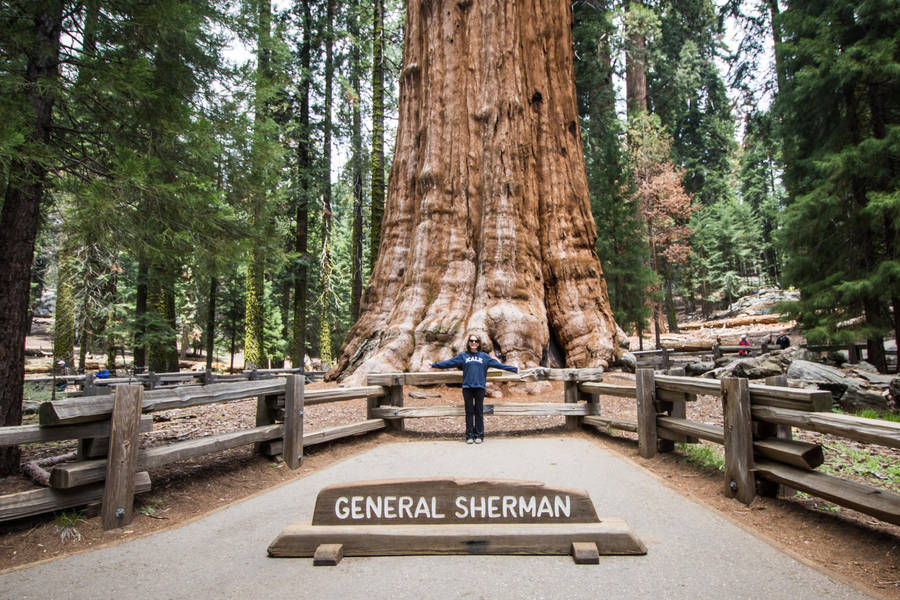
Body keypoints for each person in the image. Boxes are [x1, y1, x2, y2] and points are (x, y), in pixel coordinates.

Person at [429, 334, 518, 444]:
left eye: (476, 341)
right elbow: (449, 363)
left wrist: (514, 369)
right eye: (471, 341)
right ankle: (469, 435)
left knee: (479, 412)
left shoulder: (484, 357)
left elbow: (499, 365)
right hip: (467, 388)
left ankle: (479, 435)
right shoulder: (463, 356)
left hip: (480, 387)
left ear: (479, 343)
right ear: (468, 342)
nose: (474, 343)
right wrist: (433, 365)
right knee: (469, 412)